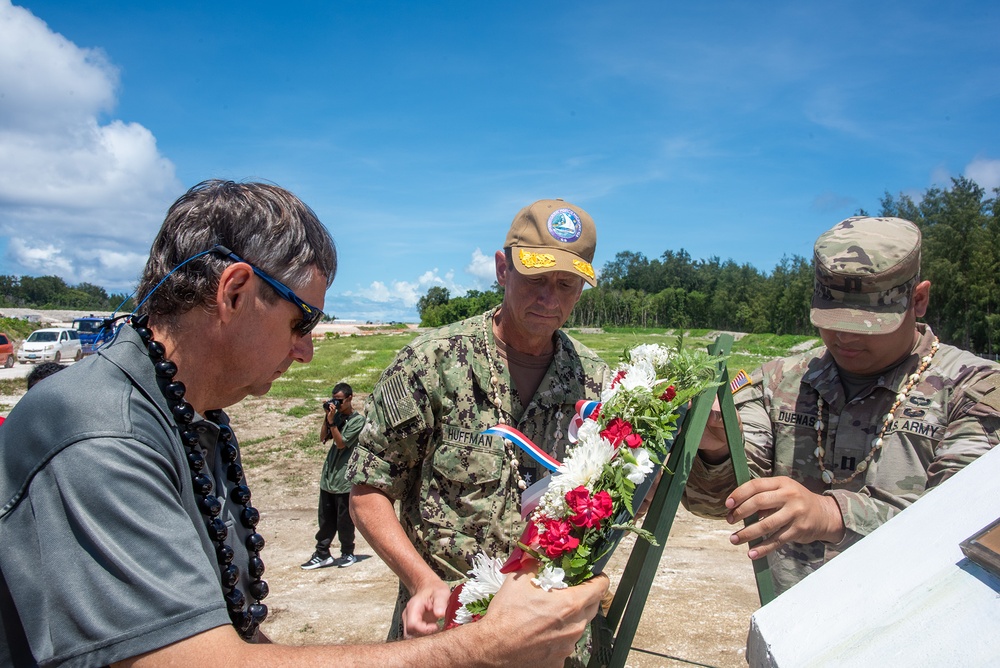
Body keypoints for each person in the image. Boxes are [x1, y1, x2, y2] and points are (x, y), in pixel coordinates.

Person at [0, 181, 607, 668]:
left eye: (567, 285)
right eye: (302, 322)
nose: (307, 351)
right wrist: (476, 649)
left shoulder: (188, 416)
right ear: (235, 292)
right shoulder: (101, 433)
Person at [685, 216, 1000, 595]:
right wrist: (717, 450)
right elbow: (717, 503)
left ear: (918, 300)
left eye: (868, 322)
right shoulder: (777, 382)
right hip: (791, 628)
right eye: (832, 319)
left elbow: (972, 524)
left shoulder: (978, 390)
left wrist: (833, 514)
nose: (844, 335)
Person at [349, 198, 610, 640]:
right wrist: (422, 582)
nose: (551, 298)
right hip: (445, 630)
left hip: (550, 637)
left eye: (567, 284)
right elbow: (368, 490)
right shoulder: (429, 365)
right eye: (537, 278)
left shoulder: (597, 385)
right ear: (502, 269)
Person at [302, 382, 364, 570]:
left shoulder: (357, 421)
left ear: (350, 398)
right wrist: (327, 418)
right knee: (325, 518)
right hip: (329, 477)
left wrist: (332, 422)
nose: (337, 404)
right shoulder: (335, 417)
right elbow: (323, 438)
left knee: (344, 520)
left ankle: (347, 552)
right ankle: (322, 553)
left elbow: (341, 444)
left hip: (344, 478)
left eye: (340, 401)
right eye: (334, 400)